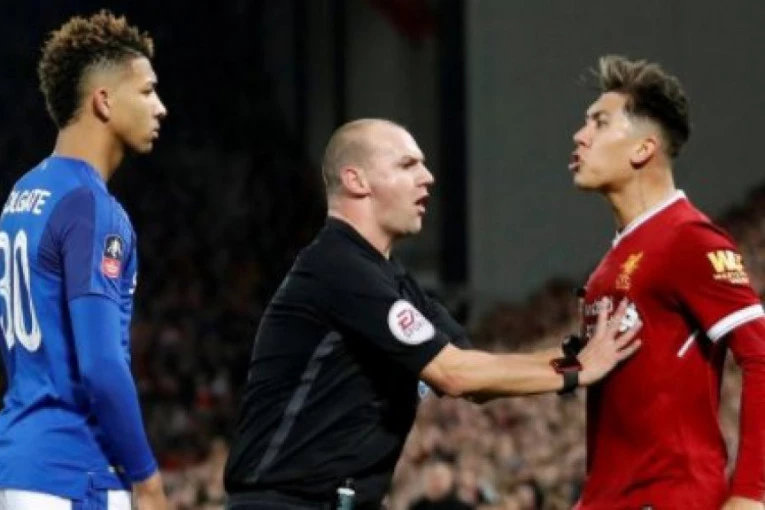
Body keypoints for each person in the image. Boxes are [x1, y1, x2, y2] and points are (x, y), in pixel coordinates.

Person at [224, 118, 641, 509]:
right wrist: (578, 370)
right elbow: (453, 374)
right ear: (356, 180)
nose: (428, 177)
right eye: (407, 165)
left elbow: (475, 375)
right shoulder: (336, 266)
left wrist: (574, 354)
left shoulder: (394, 282)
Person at [569, 55, 765, 510]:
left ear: (643, 149)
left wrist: (751, 493)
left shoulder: (688, 238)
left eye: (599, 123)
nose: (580, 135)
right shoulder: (610, 264)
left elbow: (760, 355)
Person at [0, 10, 168, 510]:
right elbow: (100, 364)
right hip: (76, 473)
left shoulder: (24, 192)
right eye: (147, 91)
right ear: (104, 100)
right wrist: (147, 480)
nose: (160, 107)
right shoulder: (91, 207)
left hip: (21, 460)